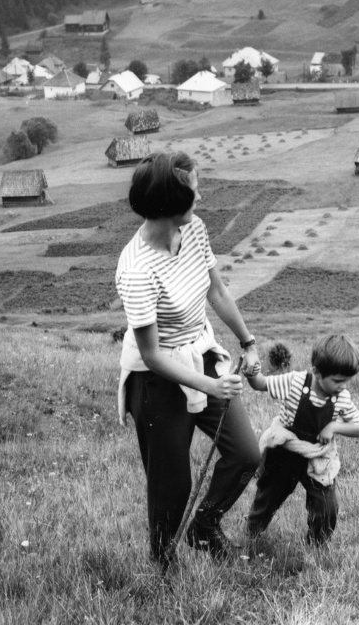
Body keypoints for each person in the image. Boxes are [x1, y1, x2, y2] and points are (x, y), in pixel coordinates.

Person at [115, 151, 261, 573]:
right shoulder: (136, 268)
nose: (201, 196)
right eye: (195, 190)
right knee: (172, 485)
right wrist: (210, 386)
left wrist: (246, 341)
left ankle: (203, 526)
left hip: (201, 353)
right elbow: (152, 355)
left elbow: (216, 291)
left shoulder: (193, 229)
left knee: (246, 455)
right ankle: (162, 561)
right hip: (158, 380)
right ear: (168, 202)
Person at [243, 334, 359, 545]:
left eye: (347, 380)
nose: (344, 386)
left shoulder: (342, 398)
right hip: (284, 451)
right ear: (316, 372)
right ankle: (251, 534)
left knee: (327, 507)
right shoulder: (295, 382)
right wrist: (252, 372)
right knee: (268, 497)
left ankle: (317, 545)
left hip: (317, 458)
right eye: (338, 380)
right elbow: (260, 384)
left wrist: (333, 426)